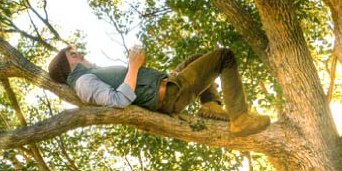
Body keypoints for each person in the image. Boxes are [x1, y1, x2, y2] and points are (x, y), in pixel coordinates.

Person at [46, 44, 269, 136]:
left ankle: (211, 105)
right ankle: (240, 119)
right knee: (224, 56)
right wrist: (134, 66)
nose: (80, 53)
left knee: (196, 59)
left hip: (166, 86)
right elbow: (118, 100)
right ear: (69, 66)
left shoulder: (90, 74)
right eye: (73, 54)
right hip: (169, 95)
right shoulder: (84, 82)